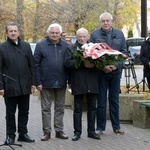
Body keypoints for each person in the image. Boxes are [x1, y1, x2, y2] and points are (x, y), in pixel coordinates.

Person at [90, 12, 127, 135]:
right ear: (100, 22)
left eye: (108, 20)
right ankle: (100, 127)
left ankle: (116, 127)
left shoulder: (120, 34)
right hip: (101, 73)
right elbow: (91, 54)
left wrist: (115, 66)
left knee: (114, 100)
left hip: (115, 73)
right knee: (101, 101)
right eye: (103, 21)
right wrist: (103, 67)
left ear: (112, 21)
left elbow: (124, 52)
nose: (105, 23)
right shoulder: (94, 35)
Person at [0, 22, 36, 144]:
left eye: (15, 31)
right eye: (11, 31)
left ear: (18, 32)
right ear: (7, 33)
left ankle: (23, 133)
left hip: (25, 85)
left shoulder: (26, 46)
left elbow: (32, 65)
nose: (13, 33)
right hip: (9, 86)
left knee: (24, 111)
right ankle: (10, 135)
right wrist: (1, 86)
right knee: (10, 113)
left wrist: (33, 83)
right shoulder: (2, 47)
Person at [34, 23, 69, 141]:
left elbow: (69, 64)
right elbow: (36, 65)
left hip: (61, 81)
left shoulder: (65, 45)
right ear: (48, 33)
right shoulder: (40, 45)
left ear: (60, 34)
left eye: (57, 33)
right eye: (52, 33)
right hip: (45, 82)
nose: (54, 35)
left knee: (60, 108)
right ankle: (47, 132)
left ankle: (59, 130)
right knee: (46, 108)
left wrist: (69, 80)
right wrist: (38, 82)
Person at [65, 28, 100, 141]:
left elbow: (100, 63)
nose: (82, 38)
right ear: (76, 37)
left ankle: (91, 131)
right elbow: (67, 64)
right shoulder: (71, 48)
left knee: (92, 108)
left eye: (84, 36)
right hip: (78, 82)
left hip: (92, 82)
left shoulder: (94, 48)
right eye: (80, 36)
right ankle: (77, 132)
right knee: (78, 109)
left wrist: (94, 65)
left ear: (87, 37)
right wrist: (82, 64)